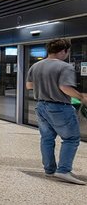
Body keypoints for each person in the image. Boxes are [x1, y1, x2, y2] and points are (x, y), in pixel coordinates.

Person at [26, 38, 87, 184]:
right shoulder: (65, 67)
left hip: (41, 106)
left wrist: (46, 87)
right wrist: (81, 97)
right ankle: (63, 171)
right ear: (63, 51)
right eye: (68, 51)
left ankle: (50, 170)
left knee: (47, 138)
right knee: (71, 139)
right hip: (59, 107)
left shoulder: (36, 66)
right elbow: (64, 87)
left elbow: (29, 86)